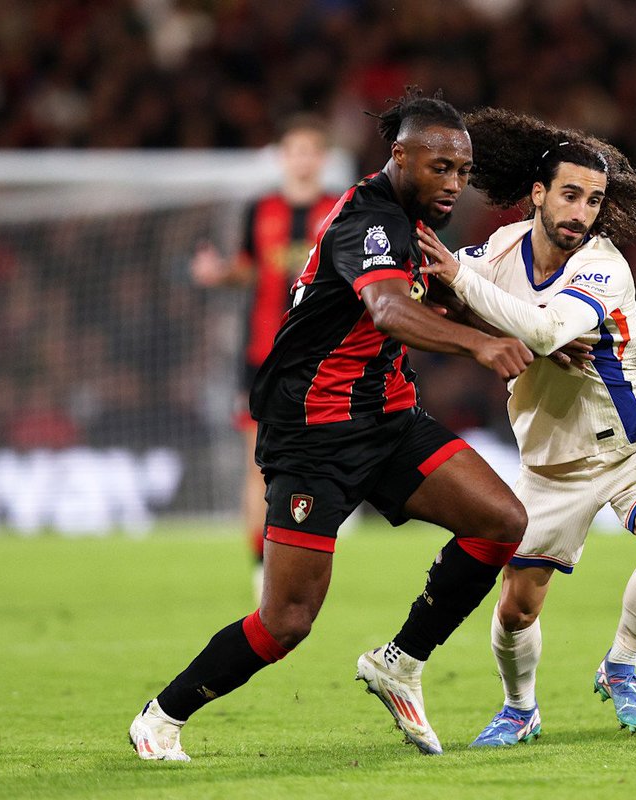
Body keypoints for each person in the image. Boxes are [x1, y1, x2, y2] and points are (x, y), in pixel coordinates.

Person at [129, 90, 535, 761]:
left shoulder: (412, 224)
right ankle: (164, 715)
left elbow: (442, 302)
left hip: (389, 416)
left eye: (462, 172)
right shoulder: (367, 221)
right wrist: (483, 349)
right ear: (399, 156)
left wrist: (540, 339)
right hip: (315, 434)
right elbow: (386, 310)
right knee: (286, 622)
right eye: (441, 168)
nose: (454, 183)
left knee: (501, 522)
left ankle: (399, 662)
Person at [414, 108, 636, 744]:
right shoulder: (502, 248)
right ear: (538, 194)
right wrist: (447, 285)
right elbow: (440, 288)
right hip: (549, 459)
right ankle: (520, 708)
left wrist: (462, 283)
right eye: (569, 194)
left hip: (635, 443)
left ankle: (621, 665)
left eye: (593, 200)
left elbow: (542, 328)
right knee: (517, 606)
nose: (580, 212)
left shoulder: (604, 266)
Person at [191, 114, 340, 595]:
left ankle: (303, 557)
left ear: (322, 158)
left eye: (310, 150)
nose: (302, 159)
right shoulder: (261, 210)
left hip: (321, 356)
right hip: (261, 357)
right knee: (258, 464)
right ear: (282, 157)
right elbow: (246, 269)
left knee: (319, 463)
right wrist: (219, 274)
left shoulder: (340, 209)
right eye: (294, 150)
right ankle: (261, 567)